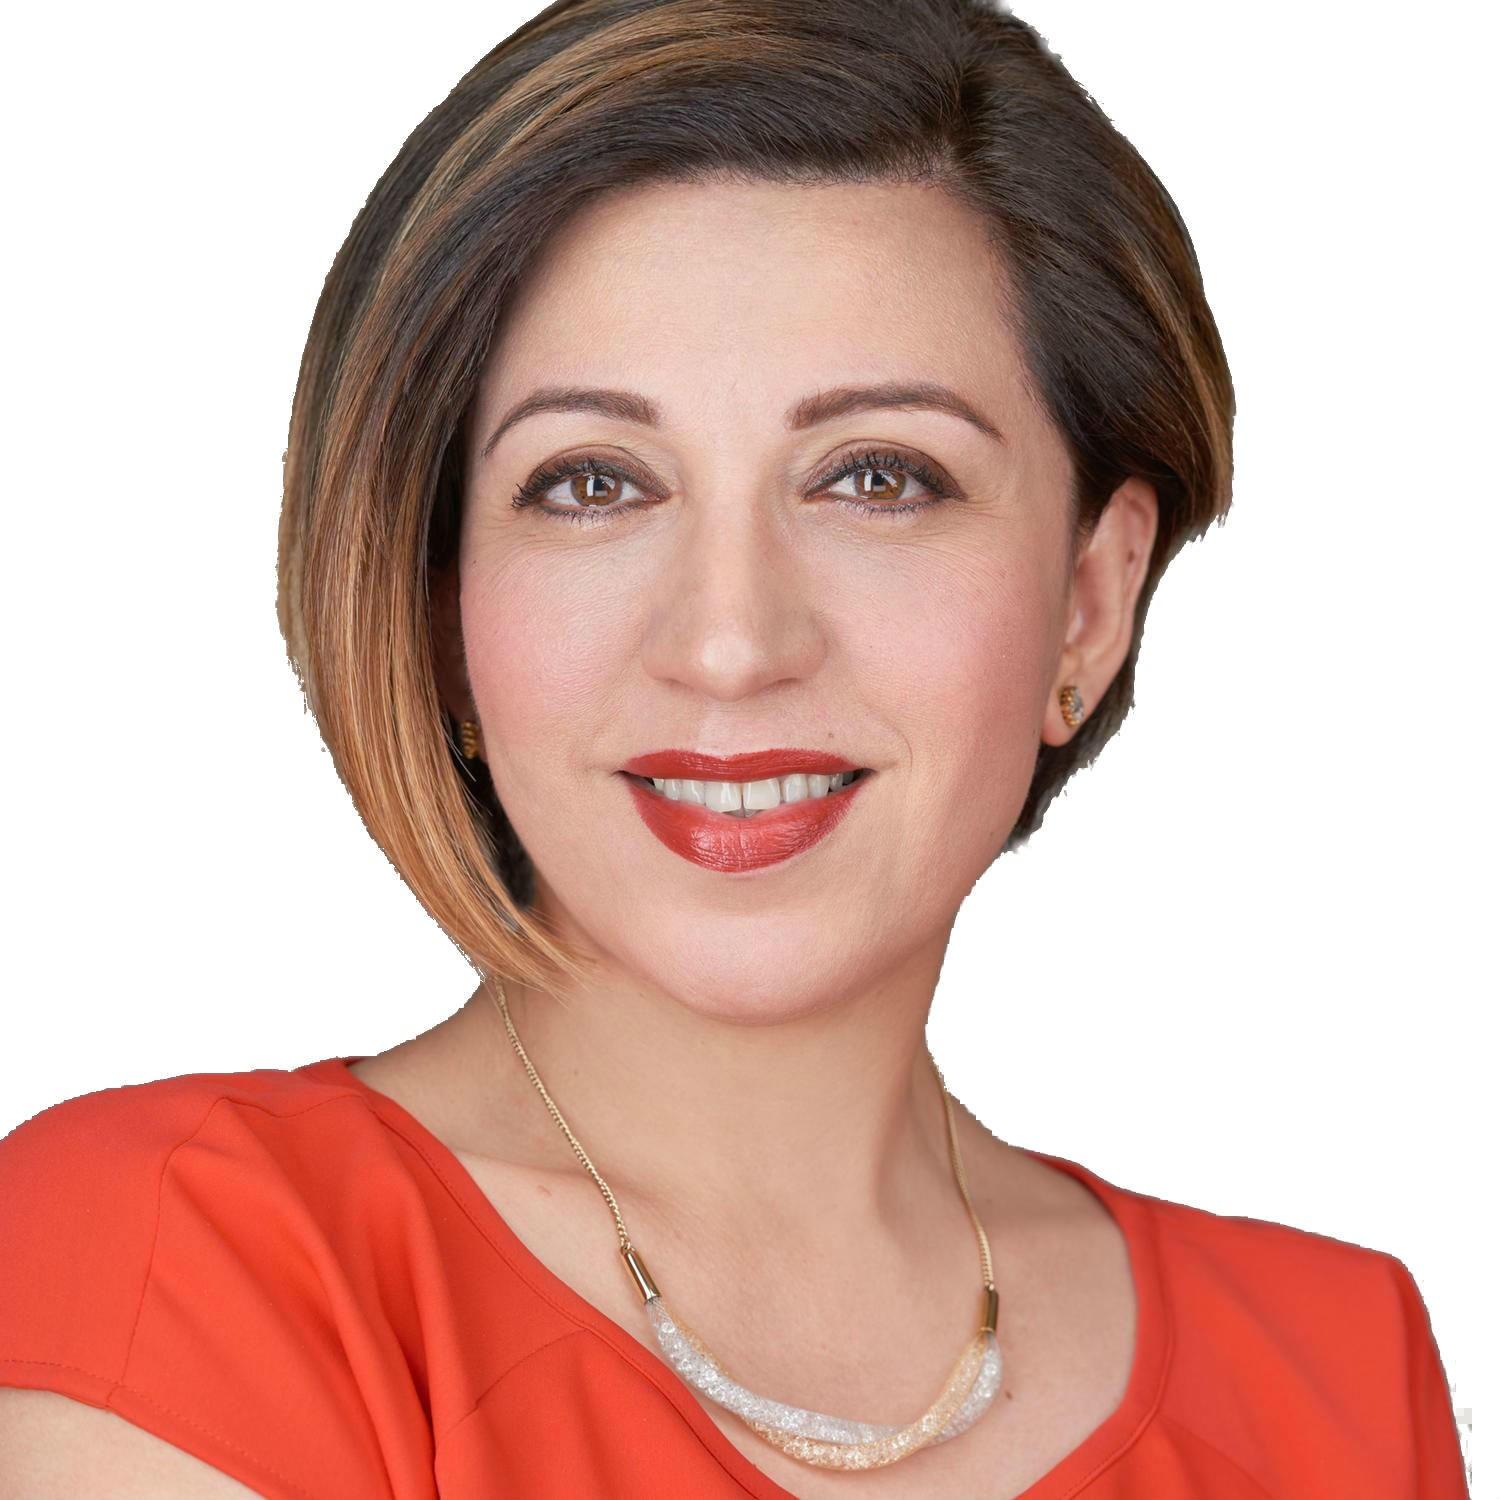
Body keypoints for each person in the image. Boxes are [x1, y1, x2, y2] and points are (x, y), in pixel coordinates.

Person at [0, 0, 1469, 1495]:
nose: (730, 642)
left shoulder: (1338, 1377)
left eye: (878, 478)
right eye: (592, 484)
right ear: (440, 611)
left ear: (1089, 603)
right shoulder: (187, 1262)